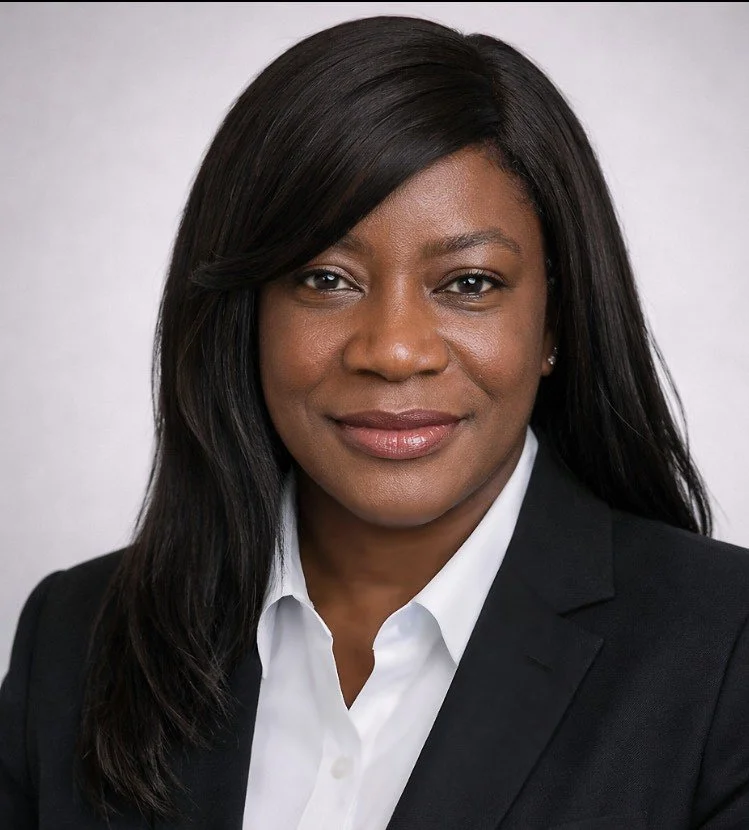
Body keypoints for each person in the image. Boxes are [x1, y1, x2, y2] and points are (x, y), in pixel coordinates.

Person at [1, 13, 748, 830]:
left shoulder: (723, 654)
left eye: (468, 284)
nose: (393, 351)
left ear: (555, 323)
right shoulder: (75, 638)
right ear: (242, 314)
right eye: (324, 278)